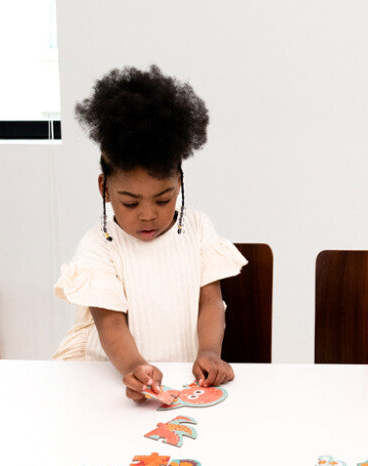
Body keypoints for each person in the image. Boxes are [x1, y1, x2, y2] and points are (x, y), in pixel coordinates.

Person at [54, 65, 246, 401]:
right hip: (111, 379)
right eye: (130, 203)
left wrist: (209, 352)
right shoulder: (99, 245)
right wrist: (133, 366)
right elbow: (110, 323)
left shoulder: (197, 229)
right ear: (105, 189)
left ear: (179, 184)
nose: (147, 215)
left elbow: (211, 302)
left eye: (163, 199)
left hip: (182, 381)